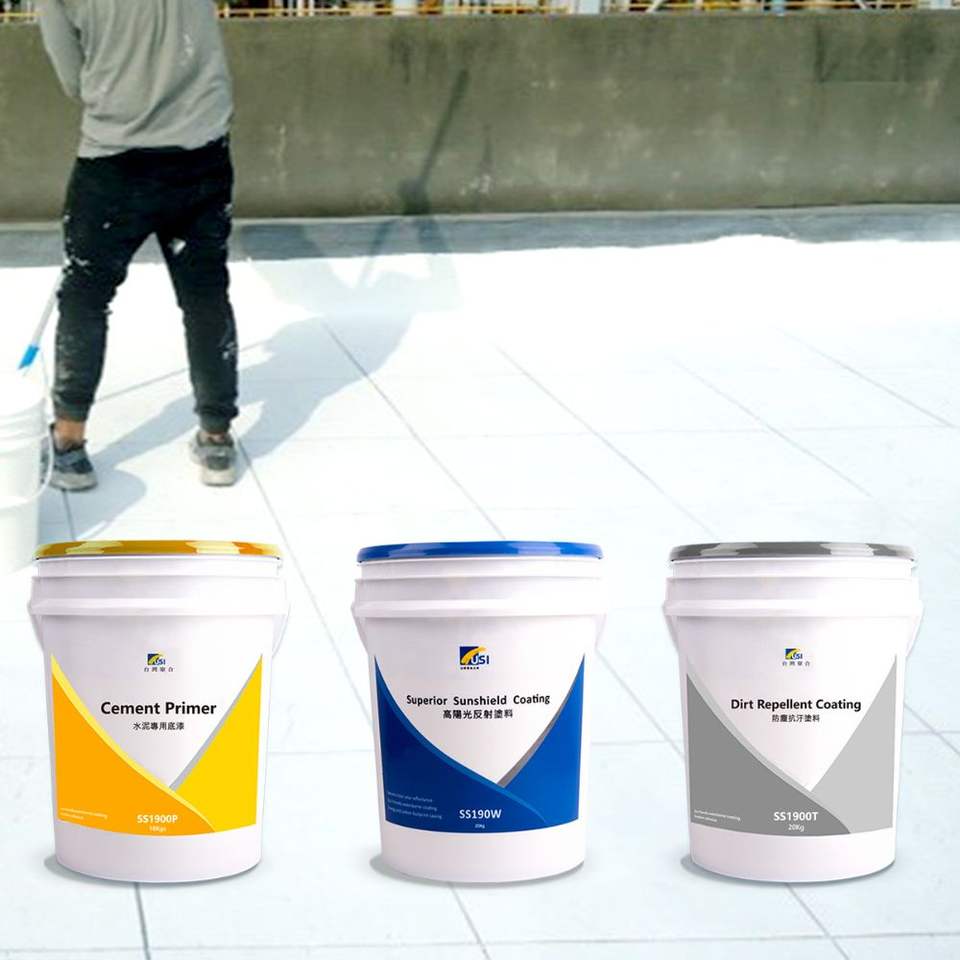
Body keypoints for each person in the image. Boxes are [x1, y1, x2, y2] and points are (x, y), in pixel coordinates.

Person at [38, 0, 240, 488]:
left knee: (85, 297)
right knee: (205, 295)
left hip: (114, 161)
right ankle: (216, 439)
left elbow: (73, 80)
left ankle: (69, 444)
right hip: (201, 155)